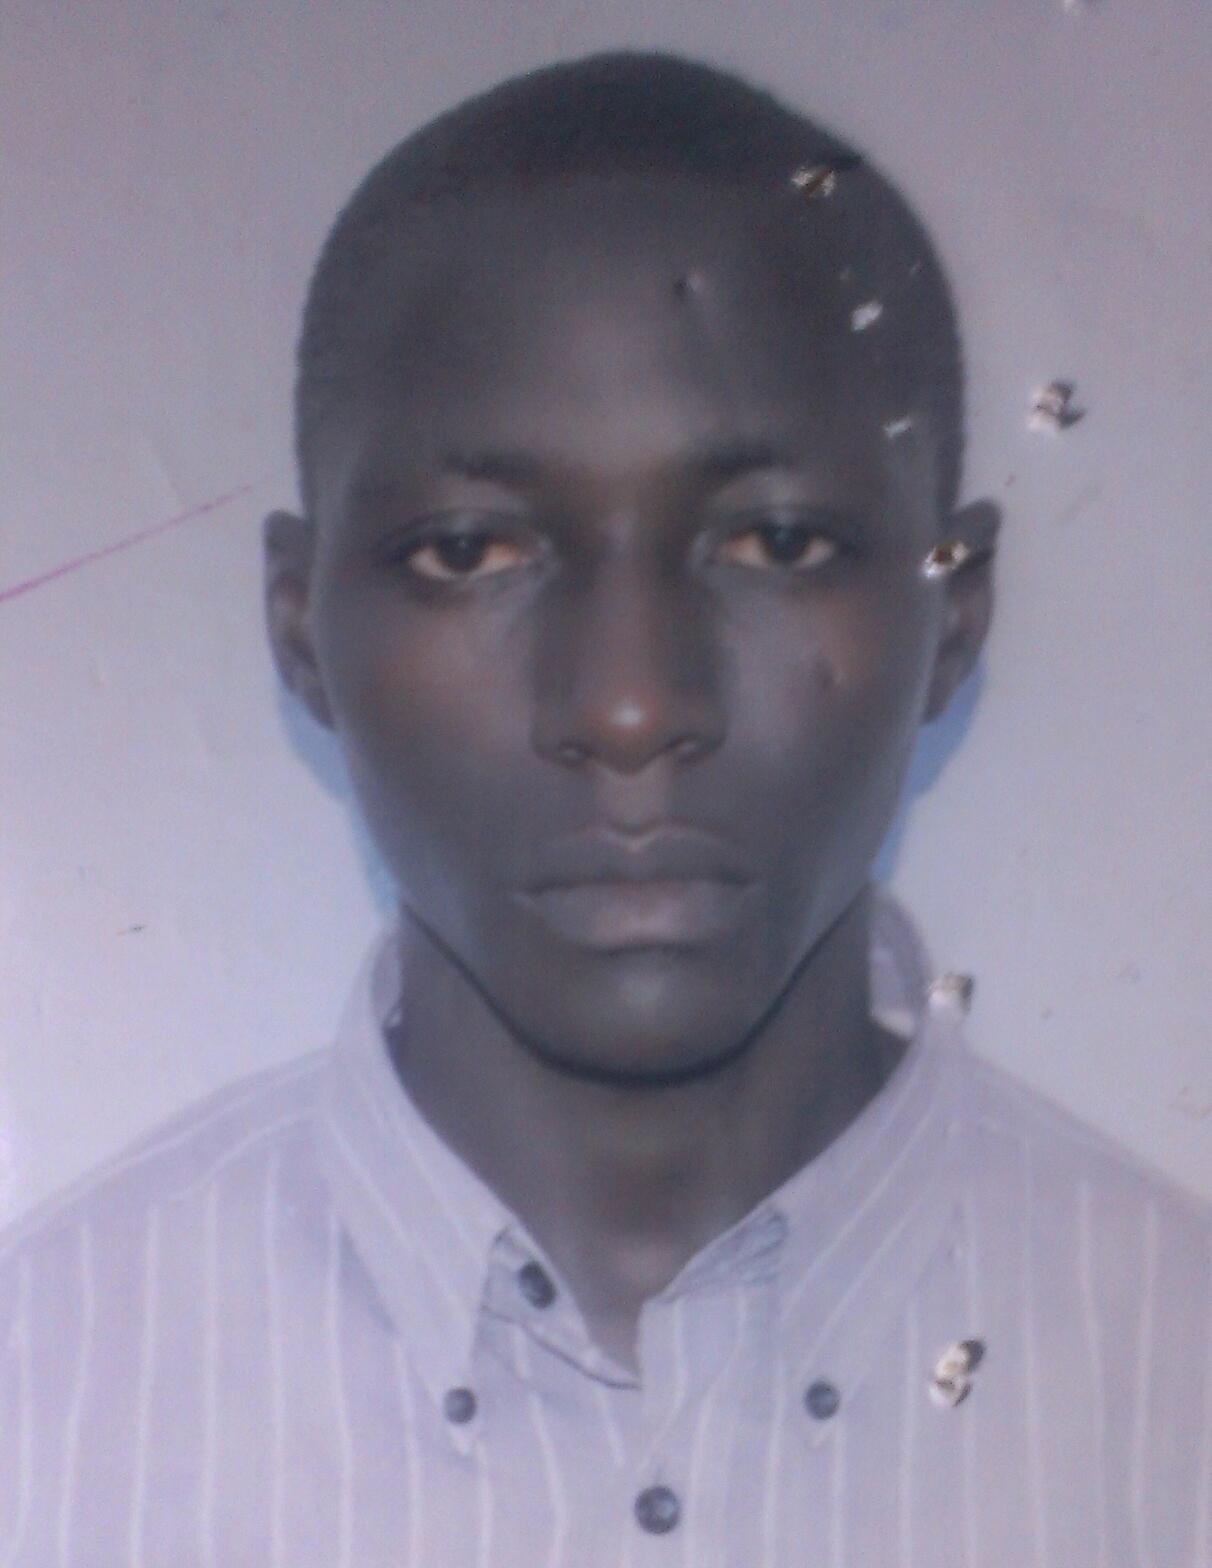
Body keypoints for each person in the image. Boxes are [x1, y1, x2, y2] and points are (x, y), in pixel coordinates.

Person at [2, 49, 1209, 1568]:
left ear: (951, 615)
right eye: (469, 553)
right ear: (302, 631)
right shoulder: (42, 1408)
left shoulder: (1177, 1398)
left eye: (777, 543)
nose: (631, 706)